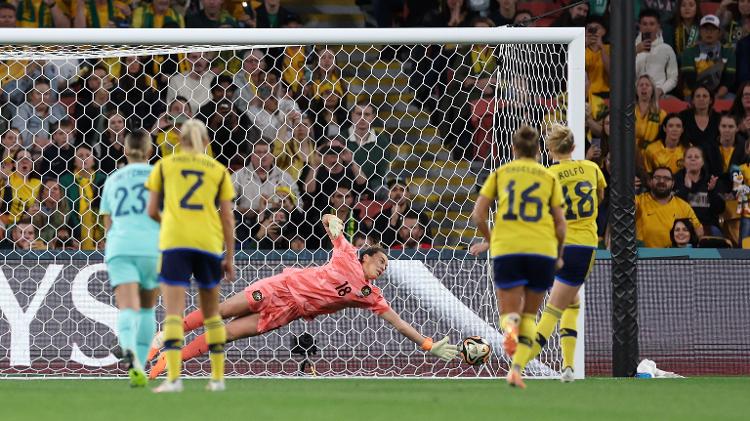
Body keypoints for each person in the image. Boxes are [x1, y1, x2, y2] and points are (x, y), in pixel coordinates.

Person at [147, 214, 459, 379]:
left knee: (225, 334)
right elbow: (327, 220)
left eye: (387, 265)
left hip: (289, 311)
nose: (383, 267)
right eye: (381, 261)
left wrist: (427, 344)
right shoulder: (347, 253)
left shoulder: (369, 295)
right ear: (366, 257)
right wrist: (332, 218)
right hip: (280, 287)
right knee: (221, 310)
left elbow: (398, 322)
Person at [469, 125, 566, 389]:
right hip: (541, 250)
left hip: (508, 248)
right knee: (530, 316)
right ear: (538, 150)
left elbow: (478, 215)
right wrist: (558, 254)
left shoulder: (501, 173)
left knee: (510, 314)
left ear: (513, 149)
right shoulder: (549, 178)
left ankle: (509, 332)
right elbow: (560, 224)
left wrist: (490, 239)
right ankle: (516, 370)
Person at [144, 119, 236, 393]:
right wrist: (229, 256)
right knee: (211, 314)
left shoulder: (165, 166)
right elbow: (228, 218)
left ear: (179, 140)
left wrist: (169, 225)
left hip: (175, 243)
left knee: (173, 314)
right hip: (207, 243)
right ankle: (217, 379)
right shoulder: (218, 170)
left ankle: (173, 379)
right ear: (206, 142)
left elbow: (151, 210)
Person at [516, 124, 606, 383]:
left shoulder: (545, 175)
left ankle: (567, 366)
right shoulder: (592, 168)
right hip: (582, 245)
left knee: (571, 301)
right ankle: (521, 361)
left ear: (548, 148)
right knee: (555, 307)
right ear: (574, 147)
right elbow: (599, 198)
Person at [100, 130, 160, 387]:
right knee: (147, 308)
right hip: (151, 247)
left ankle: (128, 353)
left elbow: (107, 222)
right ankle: (141, 365)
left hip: (121, 246)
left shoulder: (113, 180)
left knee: (126, 307)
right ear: (149, 151)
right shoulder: (160, 178)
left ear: (125, 151)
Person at [636, 167, 703, 247]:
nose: (661, 181)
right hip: (644, 256)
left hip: (675, 257)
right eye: (657, 178)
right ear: (650, 182)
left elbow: (699, 232)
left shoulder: (683, 206)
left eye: (666, 178)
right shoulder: (638, 201)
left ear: (673, 184)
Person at [636, 9, 679, 97]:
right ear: (640, 26)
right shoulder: (629, 49)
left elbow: (673, 77)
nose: (648, 27)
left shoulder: (666, 49)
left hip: (658, 95)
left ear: (658, 26)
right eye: (644, 24)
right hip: (634, 95)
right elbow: (620, 73)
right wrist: (634, 52)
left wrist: (662, 90)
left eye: (652, 24)